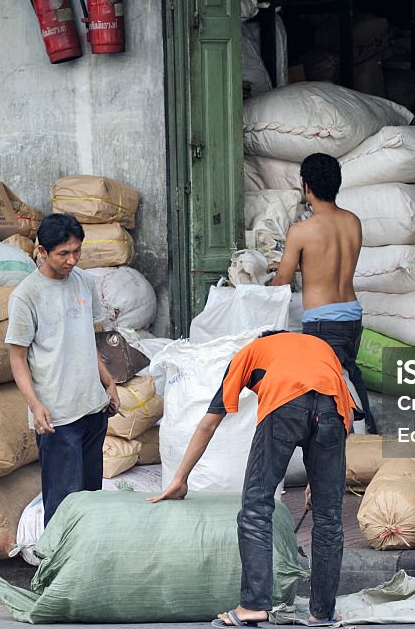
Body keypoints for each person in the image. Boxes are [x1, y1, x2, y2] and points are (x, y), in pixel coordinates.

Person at [148, 331, 354, 628]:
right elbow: (338, 406)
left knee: (257, 507)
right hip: (332, 412)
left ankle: (253, 606)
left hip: (285, 403)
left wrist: (180, 478)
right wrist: (320, 480)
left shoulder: (249, 352)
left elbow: (208, 424)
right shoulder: (320, 348)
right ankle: (322, 613)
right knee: (329, 516)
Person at [6, 213, 120, 526]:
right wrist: (35, 405)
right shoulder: (26, 296)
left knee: (91, 501)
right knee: (62, 508)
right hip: (58, 418)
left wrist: (108, 383)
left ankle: (86, 568)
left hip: (92, 409)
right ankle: (59, 572)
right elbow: (17, 358)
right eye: (63, 254)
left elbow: (85, 339)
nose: (72, 260)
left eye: (77, 251)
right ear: (42, 252)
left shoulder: (84, 282)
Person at [269, 152, 375, 433]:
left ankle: (346, 445)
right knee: (350, 376)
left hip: (321, 322)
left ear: (306, 187)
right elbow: (330, 262)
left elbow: (282, 280)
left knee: (328, 389)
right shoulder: (353, 222)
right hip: (351, 315)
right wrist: (298, 264)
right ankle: (369, 437)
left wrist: (263, 284)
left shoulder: (301, 231)